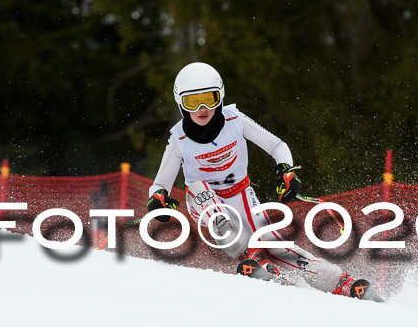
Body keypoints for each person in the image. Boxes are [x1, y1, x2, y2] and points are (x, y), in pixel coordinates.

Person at [146, 62, 382, 301]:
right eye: (192, 102)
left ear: (220, 96)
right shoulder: (180, 137)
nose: (203, 107)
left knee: (273, 244)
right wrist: (157, 200)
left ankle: (341, 282)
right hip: (202, 198)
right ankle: (253, 261)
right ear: (181, 104)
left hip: (240, 193)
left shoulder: (235, 120)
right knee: (214, 207)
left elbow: (277, 145)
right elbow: (160, 184)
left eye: (209, 98)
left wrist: (286, 171)